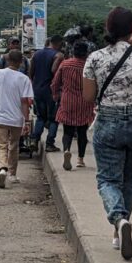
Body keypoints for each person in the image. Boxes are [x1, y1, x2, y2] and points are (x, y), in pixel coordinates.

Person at [82, 7, 132, 261]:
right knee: (130, 180)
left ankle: (119, 219)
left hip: (109, 120)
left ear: (107, 28)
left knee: (107, 180)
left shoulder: (94, 58)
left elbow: (89, 96)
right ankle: (119, 229)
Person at [0, 49, 34, 188]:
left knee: (2, 145)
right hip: (16, 119)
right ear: (21, 63)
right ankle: (12, 174)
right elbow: (25, 102)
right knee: (14, 146)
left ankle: (2, 169)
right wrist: (26, 121)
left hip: (0, 116)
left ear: (7, 60)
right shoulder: (24, 79)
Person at [52, 41, 96, 170]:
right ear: (86, 53)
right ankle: (80, 160)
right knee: (82, 132)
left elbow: (55, 82)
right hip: (85, 101)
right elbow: (95, 84)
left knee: (68, 131)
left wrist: (55, 94)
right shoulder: (89, 66)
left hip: (67, 101)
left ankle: (66, 150)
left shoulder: (65, 64)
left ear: (73, 52)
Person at [28, 34, 64, 153]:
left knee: (40, 117)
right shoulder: (58, 55)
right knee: (53, 118)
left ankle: (34, 140)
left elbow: (31, 72)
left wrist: (33, 86)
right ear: (58, 43)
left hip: (37, 89)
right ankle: (49, 143)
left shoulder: (36, 54)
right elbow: (54, 70)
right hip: (51, 91)